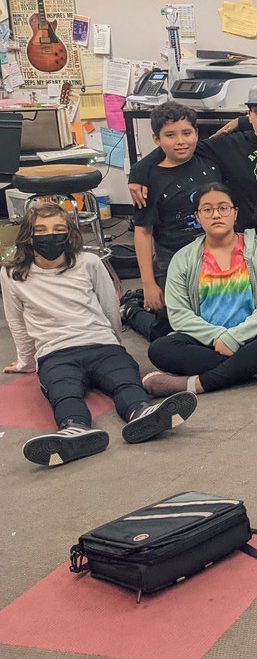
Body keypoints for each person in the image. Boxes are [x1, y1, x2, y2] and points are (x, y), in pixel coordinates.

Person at [2, 200, 198, 467]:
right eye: (41, 230)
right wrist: (26, 361)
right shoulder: (12, 274)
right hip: (55, 352)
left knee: (126, 383)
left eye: (59, 228)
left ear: (70, 232)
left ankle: (142, 413)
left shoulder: (89, 262)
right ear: (28, 235)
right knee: (64, 392)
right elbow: (17, 323)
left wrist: (116, 344)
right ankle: (75, 430)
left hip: (101, 343)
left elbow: (109, 305)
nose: (51, 235)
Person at [128, 84, 257, 280]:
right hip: (249, 248)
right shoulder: (228, 145)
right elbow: (181, 146)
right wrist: (139, 169)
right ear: (249, 116)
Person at [142, 183, 257, 397]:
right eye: (207, 209)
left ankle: (198, 384)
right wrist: (219, 337)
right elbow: (179, 315)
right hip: (207, 342)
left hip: (251, 337)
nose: (216, 215)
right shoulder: (183, 259)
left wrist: (235, 338)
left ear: (235, 213)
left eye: (223, 208)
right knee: (160, 349)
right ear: (197, 216)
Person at [123, 101, 222, 341]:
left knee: (217, 319)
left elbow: (233, 132)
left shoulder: (208, 157)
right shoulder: (149, 180)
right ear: (156, 140)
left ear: (197, 133)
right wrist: (148, 283)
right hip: (174, 261)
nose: (180, 141)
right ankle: (132, 309)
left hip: (217, 256)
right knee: (173, 333)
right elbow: (143, 232)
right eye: (170, 135)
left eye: (187, 133)